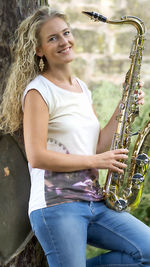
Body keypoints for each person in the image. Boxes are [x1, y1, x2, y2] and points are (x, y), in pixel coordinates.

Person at [0, 5, 150, 267]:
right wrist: (97, 161)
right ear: (39, 50)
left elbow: (97, 146)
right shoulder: (38, 92)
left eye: (66, 33)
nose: (64, 41)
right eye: (52, 38)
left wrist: (123, 107)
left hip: (94, 201)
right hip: (57, 206)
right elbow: (37, 157)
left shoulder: (82, 88)